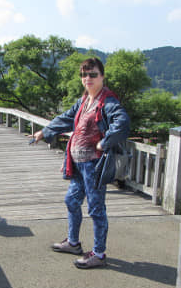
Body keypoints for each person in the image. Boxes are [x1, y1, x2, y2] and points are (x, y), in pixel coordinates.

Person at [30, 57, 130, 269]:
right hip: (78, 164)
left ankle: (99, 253)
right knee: (72, 201)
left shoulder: (108, 101)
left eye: (93, 74)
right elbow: (66, 118)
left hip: (93, 166)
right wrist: (45, 132)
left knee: (96, 209)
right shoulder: (84, 101)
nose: (88, 78)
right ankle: (73, 242)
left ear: (102, 76)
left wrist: (105, 142)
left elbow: (122, 123)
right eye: (84, 75)